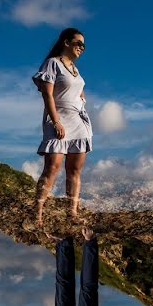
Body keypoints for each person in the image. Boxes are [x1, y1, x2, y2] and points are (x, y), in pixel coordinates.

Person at [32, 27, 92, 226]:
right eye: (78, 43)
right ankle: (37, 213)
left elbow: (76, 91)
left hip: (78, 120)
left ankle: (72, 213)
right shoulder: (52, 63)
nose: (82, 48)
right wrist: (56, 121)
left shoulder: (76, 70)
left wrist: (81, 98)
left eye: (84, 45)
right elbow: (47, 95)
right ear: (66, 42)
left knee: (74, 170)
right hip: (57, 118)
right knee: (52, 167)